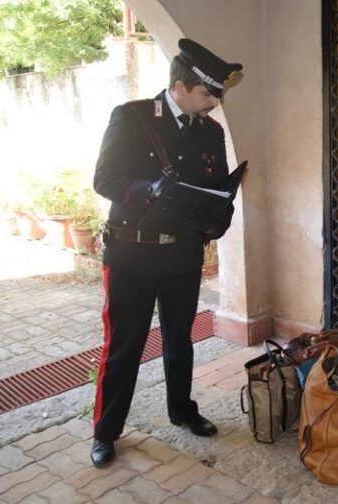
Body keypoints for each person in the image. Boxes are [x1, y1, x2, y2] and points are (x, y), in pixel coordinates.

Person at [89, 38, 243, 467]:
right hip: (132, 255)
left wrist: (216, 218)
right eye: (208, 93)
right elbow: (104, 179)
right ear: (179, 86)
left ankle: (182, 409)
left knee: (180, 339)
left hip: (181, 256)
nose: (214, 102)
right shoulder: (133, 117)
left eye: (216, 95)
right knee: (124, 345)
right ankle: (106, 430)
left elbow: (212, 193)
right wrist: (148, 189)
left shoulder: (210, 131)